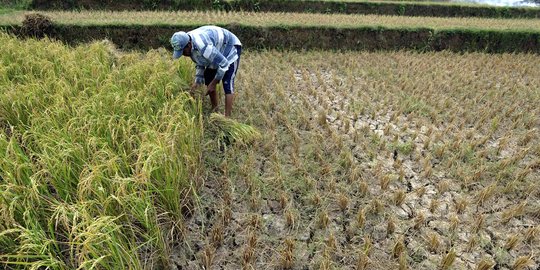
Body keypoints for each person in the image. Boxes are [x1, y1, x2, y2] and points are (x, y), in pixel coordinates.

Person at [171, 26, 242, 117]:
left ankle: (227, 118)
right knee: (208, 77)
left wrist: (214, 83)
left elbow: (224, 64)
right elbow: (200, 62)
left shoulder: (204, 47)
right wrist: (197, 82)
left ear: (189, 45)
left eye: (183, 52)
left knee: (227, 82)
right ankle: (215, 110)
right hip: (216, 48)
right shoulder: (187, 41)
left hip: (230, 46)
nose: (183, 55)